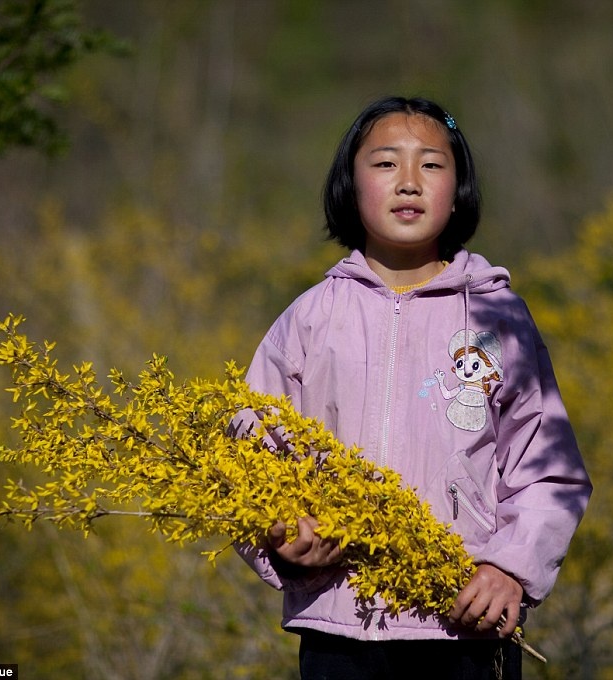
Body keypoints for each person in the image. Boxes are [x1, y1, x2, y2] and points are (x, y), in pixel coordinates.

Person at [235, 95, 592, 680]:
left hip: (465, 622)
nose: (408, 182)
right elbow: (250, 457)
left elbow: (549, 471)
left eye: (430, 164)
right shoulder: (309, 319)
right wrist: (280, 541)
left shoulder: (498, 319)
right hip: (338, 623)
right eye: (384, 164)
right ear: (349, 186)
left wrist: (510, 570)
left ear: (459, 192)